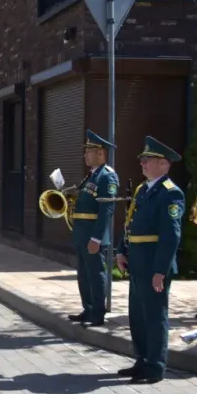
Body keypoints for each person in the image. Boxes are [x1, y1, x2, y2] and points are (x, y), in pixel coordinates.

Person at [114, 137, 185, 385]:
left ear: (164, 165)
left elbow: (171, 236)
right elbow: (129, 223)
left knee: (155, 316)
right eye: (142, 159)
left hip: (154, 264)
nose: (143, 163)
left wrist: (160, 270)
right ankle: (142, 359)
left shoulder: (170, 193)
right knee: (138, 315)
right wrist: (121, 250)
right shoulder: (143, 190)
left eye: (148, 160)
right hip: (137, 262)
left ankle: (155, 365)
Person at [66, 130, 120, 328]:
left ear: (101, 153)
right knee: (84, 274)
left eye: (89, 151)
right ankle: (88, 308)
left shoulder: (108, 177)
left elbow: (107, 208)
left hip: (93, 234)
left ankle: (98, 313)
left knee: (96, 274)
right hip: (82, 232)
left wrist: (97, 238)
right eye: (86, 151)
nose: (85, 155)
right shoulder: (91, 175)